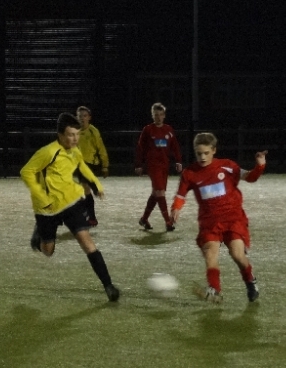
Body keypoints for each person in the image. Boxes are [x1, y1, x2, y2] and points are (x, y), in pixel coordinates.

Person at [20, 112, 120, 302]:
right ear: (60, 135)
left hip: (70, 202)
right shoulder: (48, 152)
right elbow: (26, 172)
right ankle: (39, 234)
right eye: (70, 135)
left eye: (77, 134)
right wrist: (41, 196)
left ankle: (109, 286)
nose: (75, 139)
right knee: (48, 251)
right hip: (47, 209)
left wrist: (96, 185)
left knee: (87, 242)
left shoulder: (74, 151)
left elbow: (82, 166)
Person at [170, 133, 267, 303]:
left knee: (237, 255)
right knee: (210, 253)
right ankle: (215, 290)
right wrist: (176, 208)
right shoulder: (190, 173)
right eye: (198, 153)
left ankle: (250, 281)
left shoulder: (227, 166)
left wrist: (260, 166)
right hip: (209, 222)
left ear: (214, 150)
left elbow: (249, 177)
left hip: (233, 219)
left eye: (206, 153)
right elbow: (181, 194)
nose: (202, 157)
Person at [134, 102, 182, 231]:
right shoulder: (148, 130)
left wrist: (178, 161)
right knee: (160, 192)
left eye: (161, 114)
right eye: (156, 115)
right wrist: (138, 164)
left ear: (164, 115)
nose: (158, 117)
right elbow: (140, 148)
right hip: (153, 165)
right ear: (152, 115)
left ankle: (144, 219)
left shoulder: (168, 130)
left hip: (164, 165)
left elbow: (175, 146)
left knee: (157, 193)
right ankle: (168, 222)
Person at [75, 106, 109, 226]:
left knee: (85, 187)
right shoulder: (75, 131)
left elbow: (101, 148)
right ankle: (87, 213)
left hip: (91, 163)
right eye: (80, 116)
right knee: (84, 191)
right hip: (79, 164)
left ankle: (92, 217)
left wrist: (105, 166)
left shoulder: (93, 131)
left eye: (84, 116)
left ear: (89, 117)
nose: (82, 118)